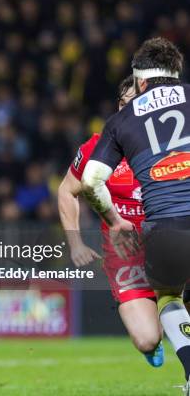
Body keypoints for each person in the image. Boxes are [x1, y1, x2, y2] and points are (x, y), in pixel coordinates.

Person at [81, 37, 190, 394]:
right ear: (176, 74)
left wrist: (114, 221)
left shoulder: (122, 120)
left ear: (140, 81)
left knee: (170, 296)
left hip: (164, 229)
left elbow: (91, 181)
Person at [58, 75, 163, 367]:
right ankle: (156, 336)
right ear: (121, 107)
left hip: (171, 239)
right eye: (132, 103)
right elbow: (67, 191)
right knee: (147, 339)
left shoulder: (171, 142)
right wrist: (75, 242)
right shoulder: (97, 146)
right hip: (126, 251)